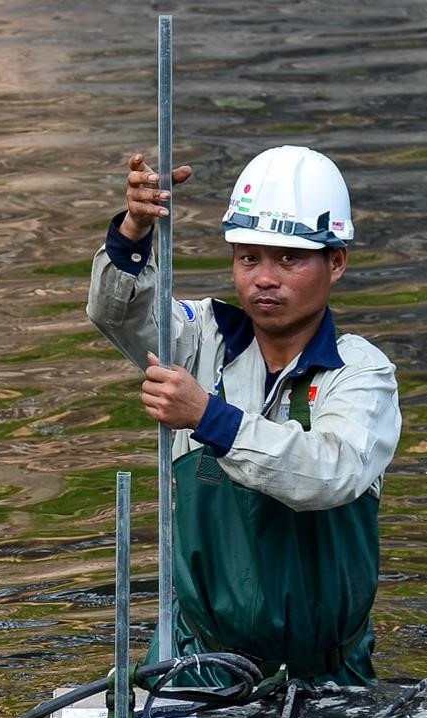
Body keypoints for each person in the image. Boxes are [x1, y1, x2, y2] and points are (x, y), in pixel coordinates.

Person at [86, 145, 401, 686]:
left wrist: (209, 417)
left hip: (326, 671)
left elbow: (329, 472)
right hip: (197, 660)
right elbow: (118, 312)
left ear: (337, 262)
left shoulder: (360, 372)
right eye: (249, 257)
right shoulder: (200, 337)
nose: (264, 278)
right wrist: (136, 228)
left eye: (289, 259)